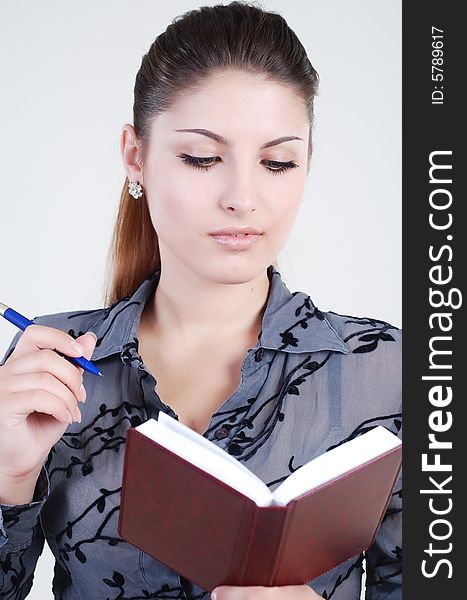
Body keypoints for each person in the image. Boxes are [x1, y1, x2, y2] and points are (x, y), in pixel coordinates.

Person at [0, 2, 402, 599]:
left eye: (277, 162)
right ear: (136, 155)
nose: (243, 197)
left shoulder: (383, 370)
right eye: (202, 158)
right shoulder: (50, 365)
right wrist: (8, 476)